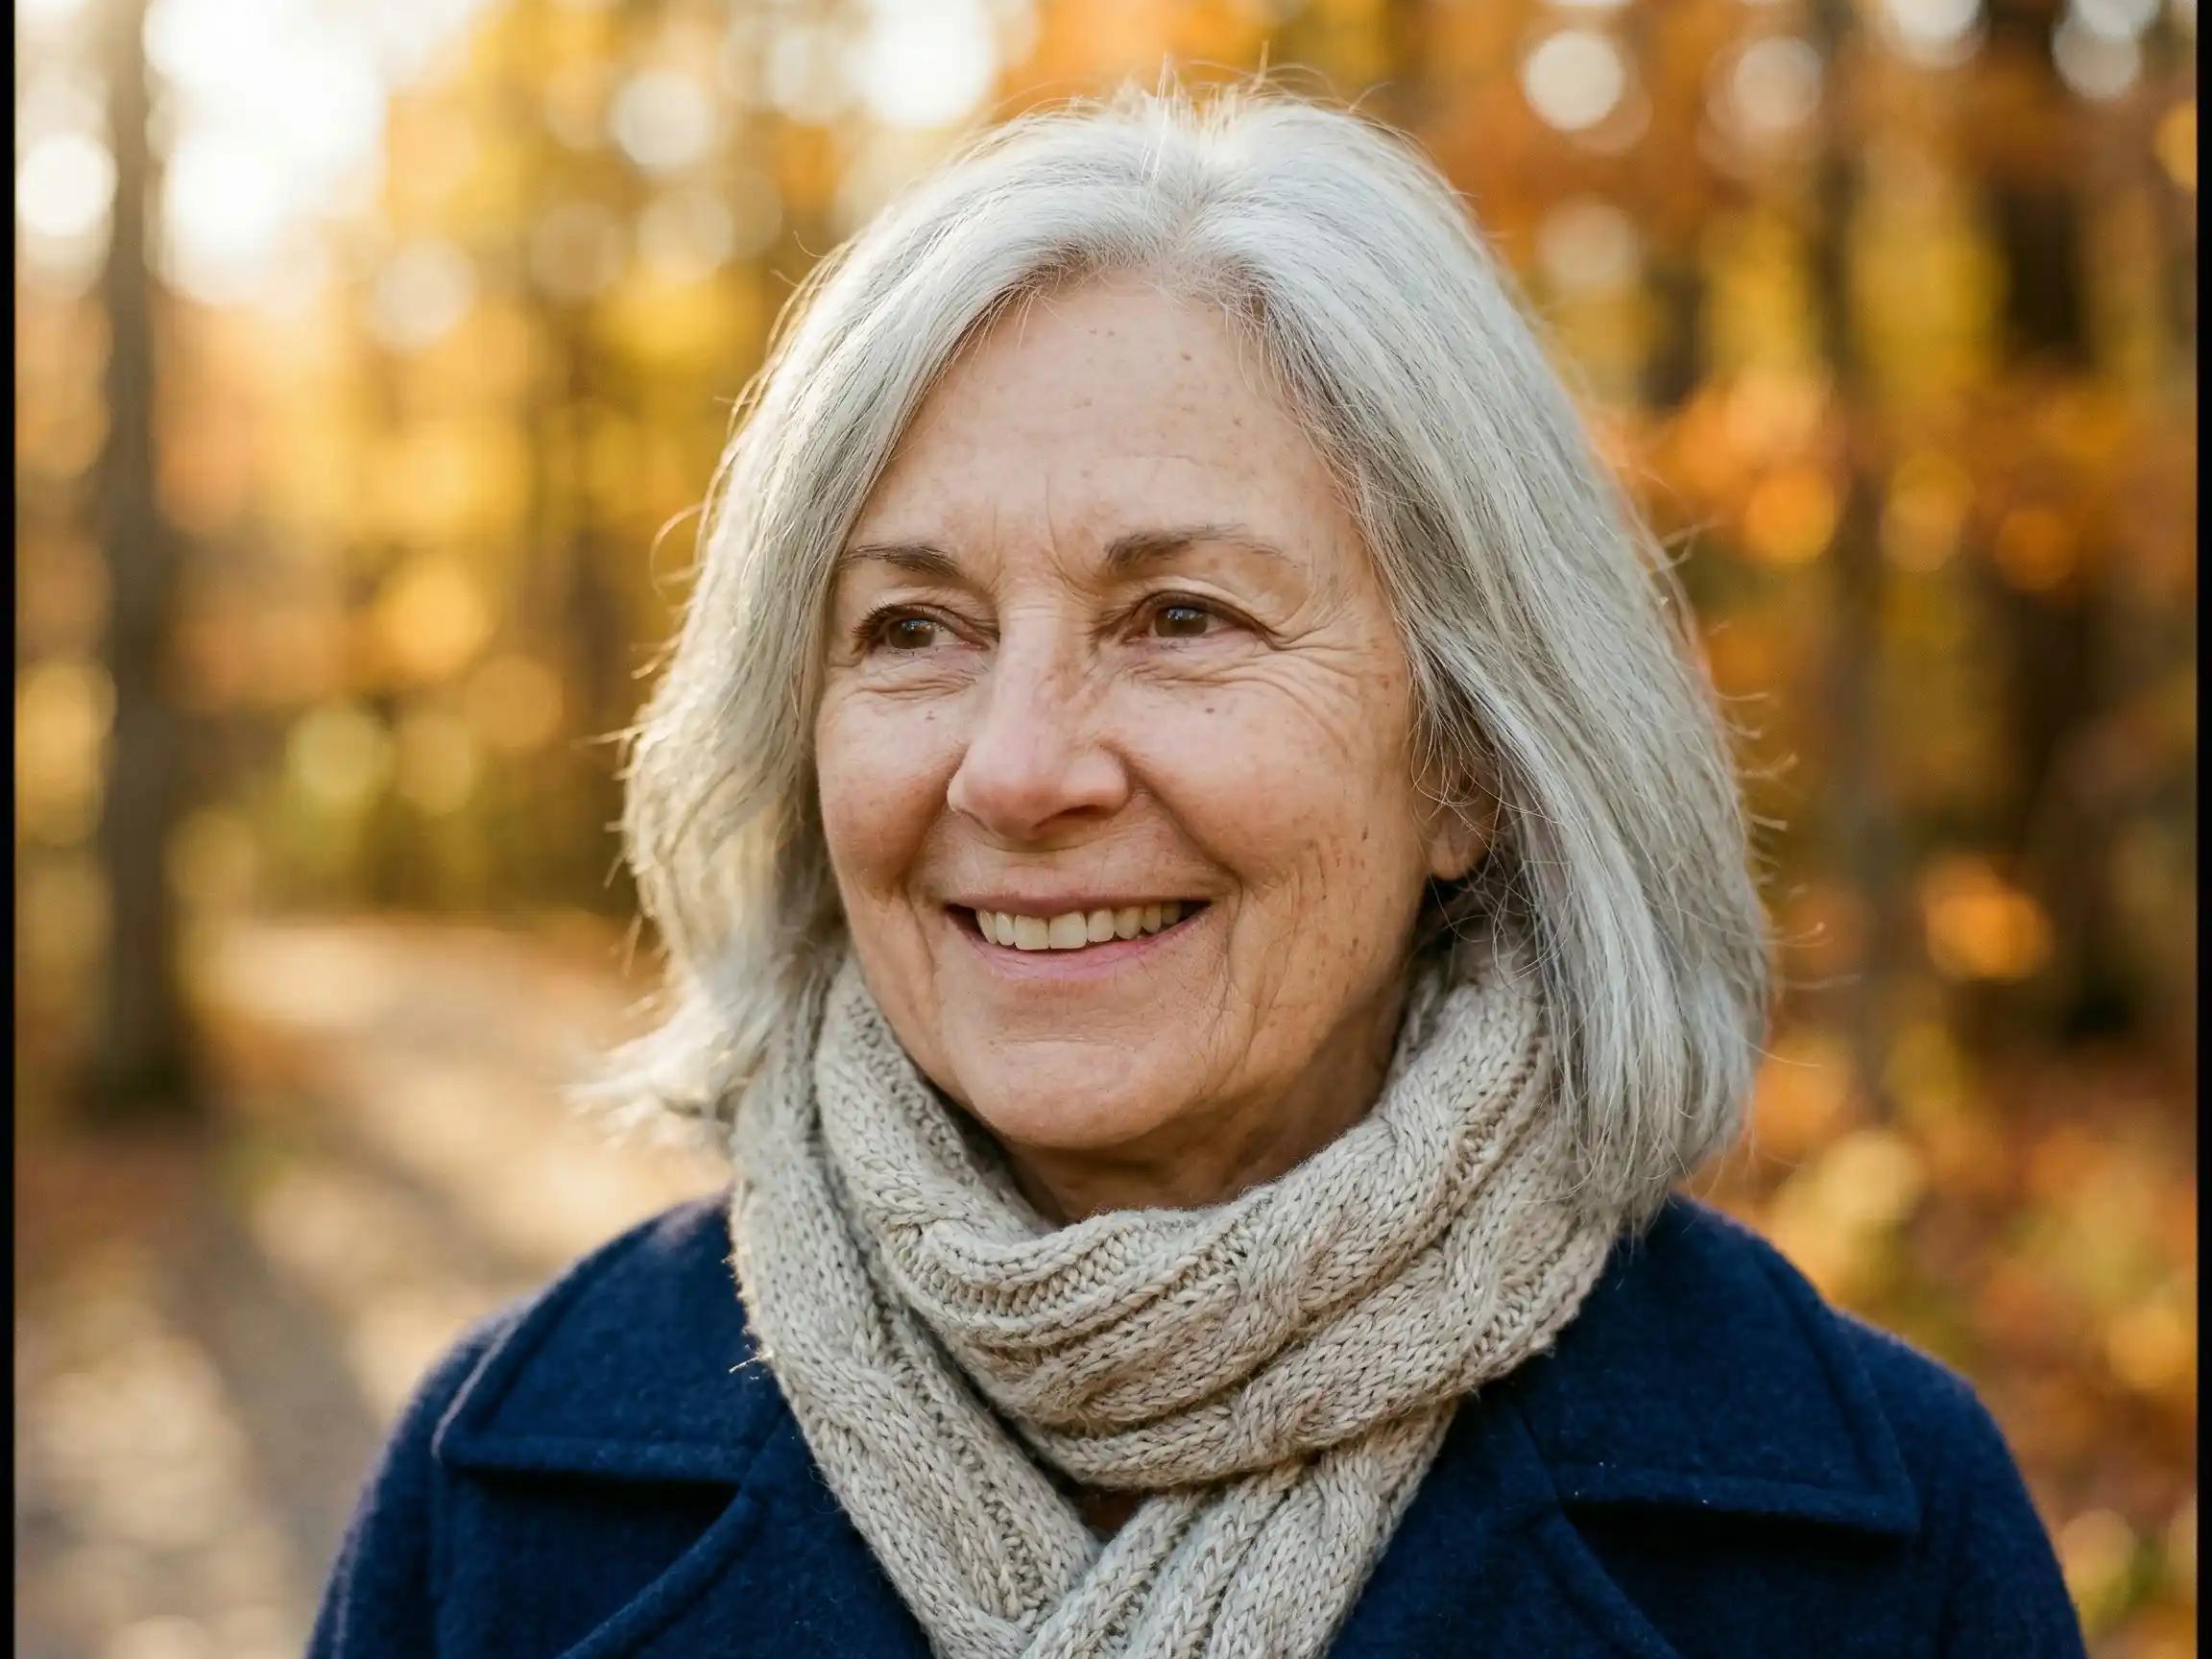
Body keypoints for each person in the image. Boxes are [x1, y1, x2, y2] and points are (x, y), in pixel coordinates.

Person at [309, 84, 2085, 1658]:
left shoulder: (1880, 1544)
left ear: (1471, 759)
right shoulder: (495, 1506)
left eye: (1179, 619)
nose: (1018, 769)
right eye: (914, 628)